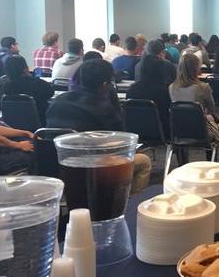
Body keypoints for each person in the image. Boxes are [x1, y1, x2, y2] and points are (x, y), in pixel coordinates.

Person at [46, 60, 152, 193]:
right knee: (143, 161)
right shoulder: (103, 109)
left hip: (57, 165)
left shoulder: (57, 102)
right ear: (104, 85)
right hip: (93, 168)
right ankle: (127, 205)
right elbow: (120, 143)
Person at [170, 53, 219, 156]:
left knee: (209, 119)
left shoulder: (171, 87)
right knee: (211, 120)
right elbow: (212, 108)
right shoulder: (203, 87)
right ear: (195, 69)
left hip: (178, 131)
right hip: (200, 132)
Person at [0, 56, 54, 124]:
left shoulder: (3, 87)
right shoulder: (37, 83)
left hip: (12, 126)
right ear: (25, 68)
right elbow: (51, 92)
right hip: (39, 124)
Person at [126, 56, 172, 138]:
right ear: (161, 71)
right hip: (160, 132)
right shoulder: (163, 90)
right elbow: (166, 113)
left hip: (135, 131)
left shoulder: (132, 89)